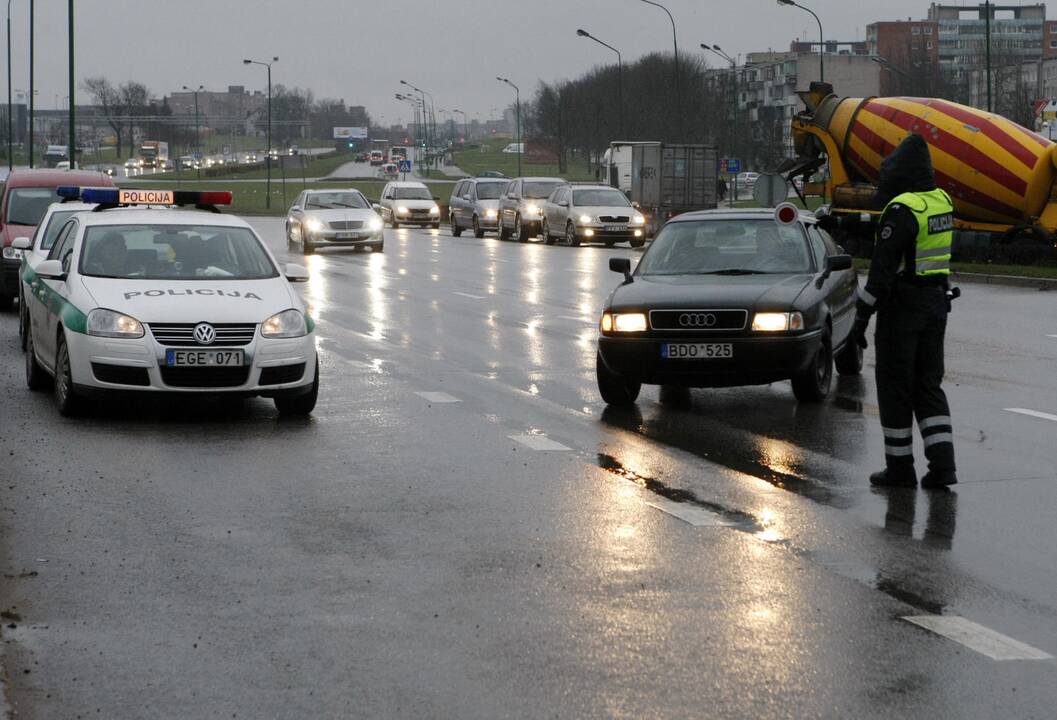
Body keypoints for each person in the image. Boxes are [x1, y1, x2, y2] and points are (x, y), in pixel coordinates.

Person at [851, 133, 957, 490]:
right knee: (929, 386)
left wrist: (860, 319)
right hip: (936, 305)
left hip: (903, 309)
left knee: (895, 387)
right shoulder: (940, 201)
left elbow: (881, 275)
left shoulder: (901, 210)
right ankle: (943, 467)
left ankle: (900, 469)